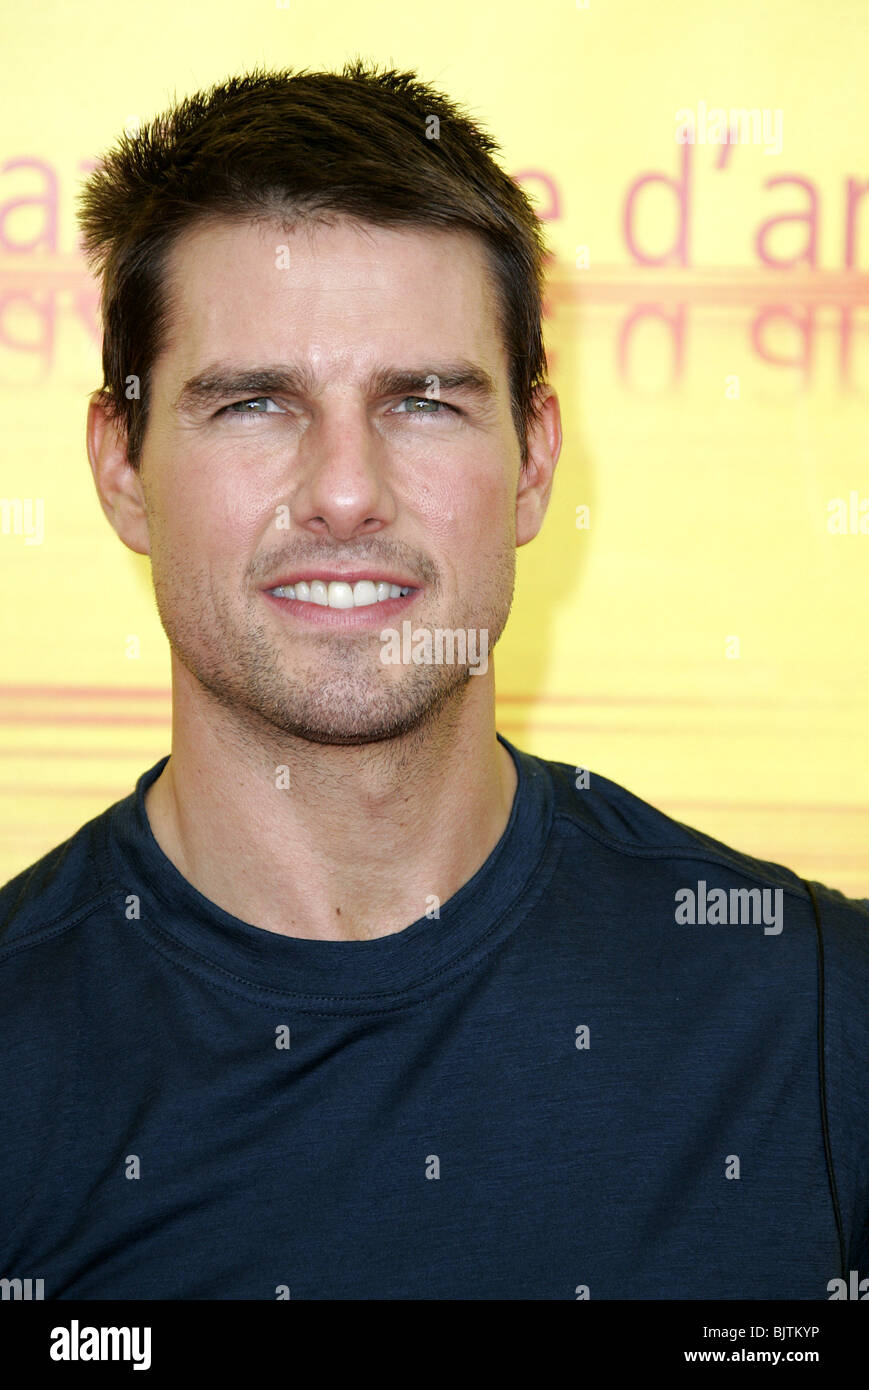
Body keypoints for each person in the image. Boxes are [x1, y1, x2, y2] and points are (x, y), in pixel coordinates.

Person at [1, 61, 867, 1302]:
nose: (345, 489)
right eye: (252, 403)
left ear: (532, 463)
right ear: (120, 468)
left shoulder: (817, 1018)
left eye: (421, 401)